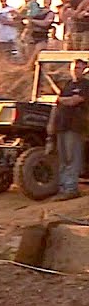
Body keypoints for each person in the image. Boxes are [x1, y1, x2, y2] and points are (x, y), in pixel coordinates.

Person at [51, 59, 89, 201]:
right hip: (62, 125)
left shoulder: (86, 85)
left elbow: (75, 100)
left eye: (79, 68)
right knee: (63, 159)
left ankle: (71, 188)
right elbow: (58, 101)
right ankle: (63, 188)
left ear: (84, 69)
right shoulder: (67, 85)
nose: (76, 70)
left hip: (76, 126)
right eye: (74, 67)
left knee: (73, 158)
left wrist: (64, 100)